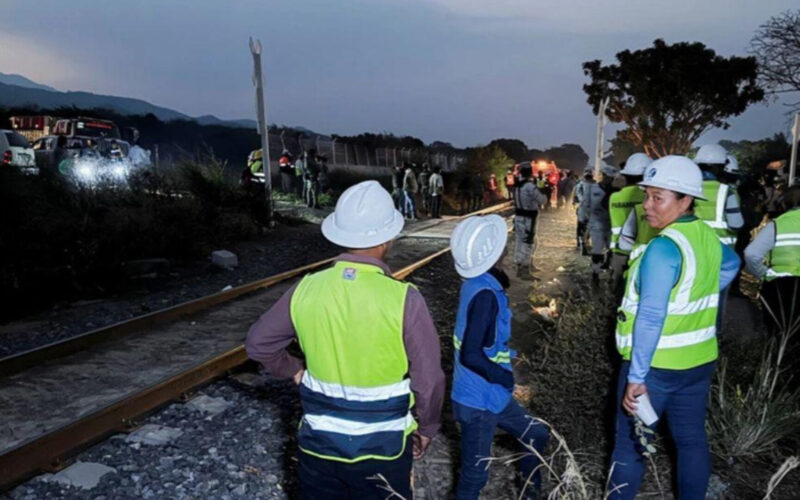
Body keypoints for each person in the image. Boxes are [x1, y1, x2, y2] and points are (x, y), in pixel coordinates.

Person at [245, 180, 445, 500]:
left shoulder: (306, 288)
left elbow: (259, 344)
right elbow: (429, 379)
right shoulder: (405, 298)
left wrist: (293, 369)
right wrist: (427, 428)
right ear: (388, 237)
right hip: (384, 449)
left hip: (319, 446)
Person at [608, 156, 740, 500]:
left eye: (658, 197)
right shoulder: (706, 235)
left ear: (686, 200)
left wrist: (636, 377)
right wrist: (700, 292)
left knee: (628, 450)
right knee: (691, 441)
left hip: (655, 368)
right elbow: (732, 264)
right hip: (698, 363)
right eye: (647, 195)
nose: (647, 206)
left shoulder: (663, 247)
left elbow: (651, 317)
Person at [449, 215, 549, 499]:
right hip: (479, 400)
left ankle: (529, 493)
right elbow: (471, 353)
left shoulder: (477, 284)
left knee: (536, 434)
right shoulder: (486, 295)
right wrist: (504, 376)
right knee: (474, 476)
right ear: (493, 252)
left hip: (490, 395)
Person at [744, 185, 800, 334]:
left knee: (777, 332)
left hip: (779, 285)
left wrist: (764, 274)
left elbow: (751, 254)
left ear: (784, 203)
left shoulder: (776, 225)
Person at [609, 153, 653, 292]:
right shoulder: (649, 197)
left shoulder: (614, 197)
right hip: (643, 251)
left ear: (626, 176)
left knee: (618, 291)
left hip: (618, 251)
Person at [579, 164, 618, 286]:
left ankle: (611, 273)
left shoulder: (616, 191)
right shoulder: (592, 189)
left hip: (611, 224)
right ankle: (595, 273)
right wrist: (584, 221)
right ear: (603, 176)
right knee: (597, 249)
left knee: (612, 249)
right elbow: (585, 205)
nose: (609, 180)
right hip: (596, 224)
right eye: (607, 177)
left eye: (611, 178)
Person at [513, 164, 547, 280]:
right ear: (530, 172)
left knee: (519, 242)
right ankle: (525, 270)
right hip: (529, 219)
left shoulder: (517, 186)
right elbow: (542, 200)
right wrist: (543, 191)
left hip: (518, 217)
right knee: (528, 243)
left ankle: (520, 267)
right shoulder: (530, 186)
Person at [574, 171, 594, 254]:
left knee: (581, 226)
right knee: (588, 227)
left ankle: (580, 243)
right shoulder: (596, 185)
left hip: (582, 209)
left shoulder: (580, 184)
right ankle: (585, 242)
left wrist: (576, 206)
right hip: (592, 209)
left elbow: (576, 197)